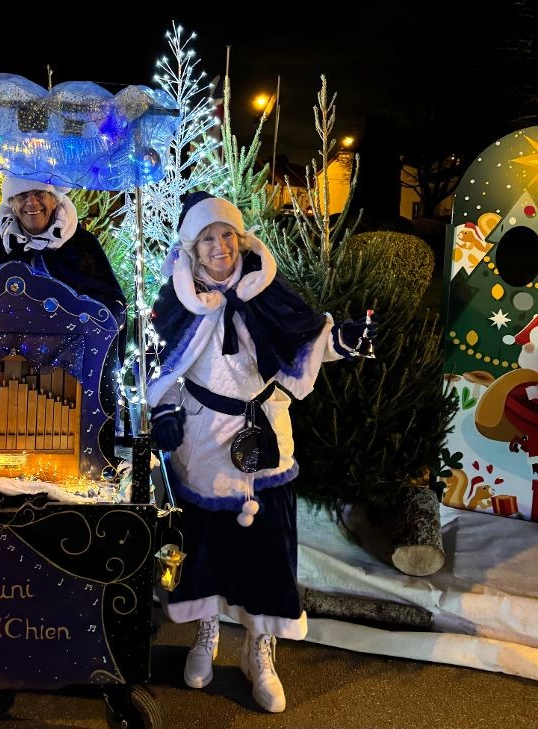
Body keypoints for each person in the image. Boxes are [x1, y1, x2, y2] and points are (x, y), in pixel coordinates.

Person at [147, 191, 375, 713]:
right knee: (208, 543)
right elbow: (155, 362)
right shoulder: (176, 300)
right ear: (193, 248)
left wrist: (345, 340)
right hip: (204, 439)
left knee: (269, 547)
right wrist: (161, 409)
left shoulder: (266, 289)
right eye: (209, 238)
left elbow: (306, 336)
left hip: (266, 429)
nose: (221, 245)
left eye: (227, 234)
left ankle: (259, 649)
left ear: (240, 238)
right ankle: (206, 632)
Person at [0, 177, 127, 358]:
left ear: (54, 200)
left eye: (39, 193)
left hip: (70, 360)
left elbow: (111, 307)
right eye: (22, 195)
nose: (31, 202)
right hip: (8, 362)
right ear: (12, 204)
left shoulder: (82, 245)